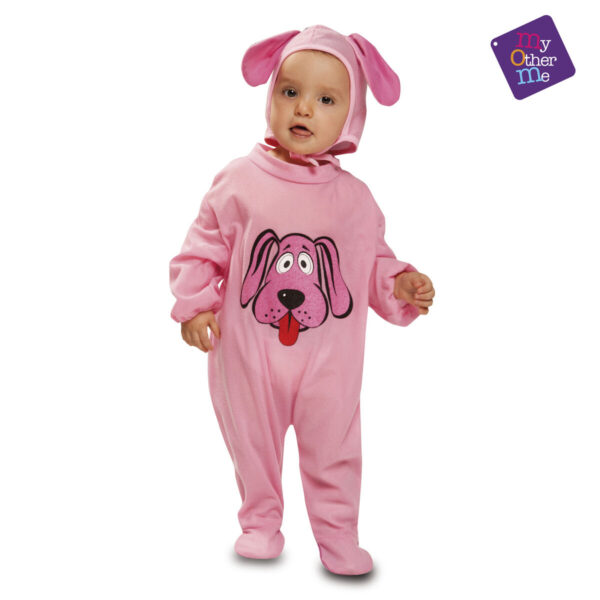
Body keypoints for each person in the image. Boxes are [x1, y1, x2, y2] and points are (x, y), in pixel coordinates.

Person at [169, 25, 435, 576]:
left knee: (335, 448)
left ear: (352, 116)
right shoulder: (238, 181)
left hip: (330, 364)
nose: (304, 108)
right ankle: (260, 522)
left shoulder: (355, 200)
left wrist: (400, 283)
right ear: (271, 95)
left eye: (326, 99)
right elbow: (203, 247)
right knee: (252, 443)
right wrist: (195, 305)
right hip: (248, 356)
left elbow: (371, 264)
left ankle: (338, 535)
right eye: (290, 91)